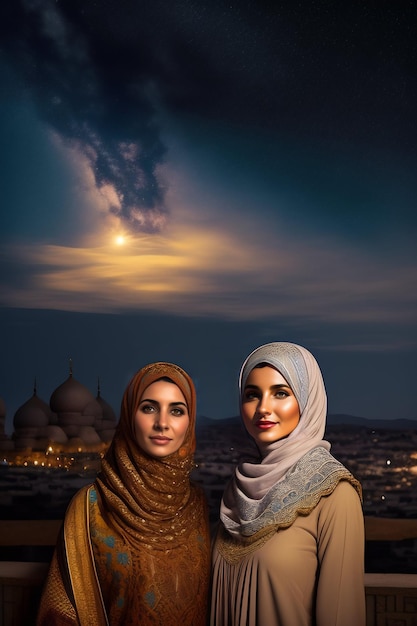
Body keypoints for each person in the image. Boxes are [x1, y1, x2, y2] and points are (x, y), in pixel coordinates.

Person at [37, 362, 211, 626]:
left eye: (176, 410)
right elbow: (60, 611)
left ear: (190, 421)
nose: (162, 423)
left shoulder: (197, 505)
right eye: (149, 408)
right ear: (130, 415)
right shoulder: (91, 506)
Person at [211, 342, 365, 626]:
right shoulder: (238, 489)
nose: (263, 408)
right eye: (252, 395)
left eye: (281, 393)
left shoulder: (335, 494)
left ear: (307, 401)